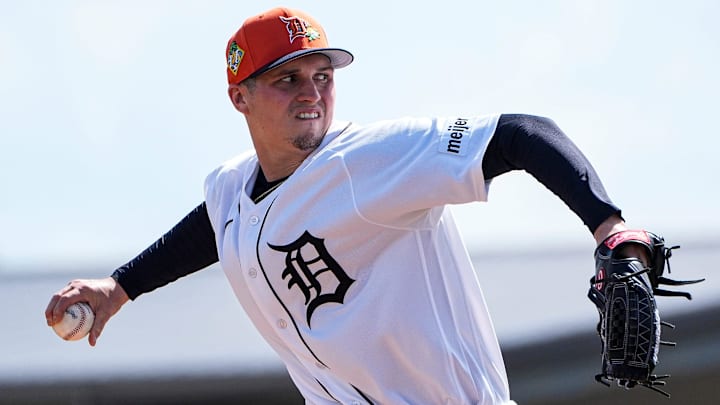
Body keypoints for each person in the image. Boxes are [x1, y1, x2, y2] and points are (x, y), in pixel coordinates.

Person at [45, 7, 648, 404]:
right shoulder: (232, 188)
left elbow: (520, 132)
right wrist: (119, 287)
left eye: (322, 75)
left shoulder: (372, 159)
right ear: (240, 97)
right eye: (287, 80)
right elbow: (215, 226)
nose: (311, 92)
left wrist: (610, 229)